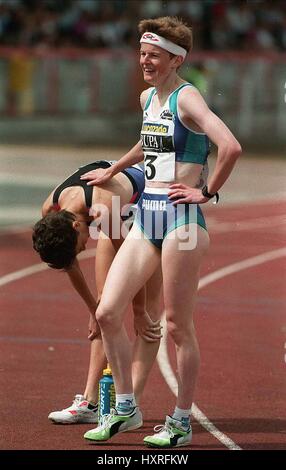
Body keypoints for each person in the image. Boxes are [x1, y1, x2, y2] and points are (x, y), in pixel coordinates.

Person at [80, 16, 242, 448]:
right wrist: (114, 168)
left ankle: (181, 420)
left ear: (175, 59)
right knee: (108, 312)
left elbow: (229, 146)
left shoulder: (188, 98)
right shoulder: (148, 97)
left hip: (181, 224)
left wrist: (206, 192)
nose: (143, 60)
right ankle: (127, 410)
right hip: (147, 216)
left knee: (176, 326)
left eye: (152, 54)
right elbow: (148, 142)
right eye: (141, 53)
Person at [32, 159, 163, 424]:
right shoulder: (51, 211)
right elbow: (70, 263)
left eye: (80, 247)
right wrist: (93, 309)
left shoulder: (104, 210)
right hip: (117, 212)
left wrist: (137, 312)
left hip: (148, 207)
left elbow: (132, 262)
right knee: (105, 311)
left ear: (76, 227)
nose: (82, 250)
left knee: (148, 314)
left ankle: (128, 406)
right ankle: (90, 402)